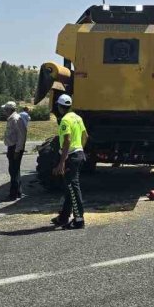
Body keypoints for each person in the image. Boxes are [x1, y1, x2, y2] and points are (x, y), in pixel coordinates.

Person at [50, 94, 88, 230]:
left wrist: (61, 162)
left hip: (70, 156)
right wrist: (80, 149)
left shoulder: (65, 120)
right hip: (78, 153)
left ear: (60, 107)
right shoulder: (77, 118)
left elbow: (66, 141)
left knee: (72, 187)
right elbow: (85, 135)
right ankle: (64, 217)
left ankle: (79, 219)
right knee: (69, 188)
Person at [2, 101, 26, 200]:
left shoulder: (16, 119)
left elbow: (21, 136)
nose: (4, 111)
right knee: (14, 170)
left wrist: (17, 150)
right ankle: (18, 192)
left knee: (14, 171)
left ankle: (13, 194)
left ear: (9, 110)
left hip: (15, 147)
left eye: (5, 109)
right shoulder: (11, 118)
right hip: (12, 147)